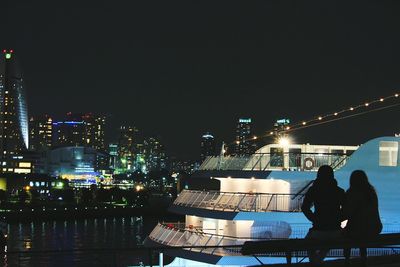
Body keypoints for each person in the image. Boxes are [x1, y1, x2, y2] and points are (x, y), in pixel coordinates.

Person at [301, 165, 345, 266]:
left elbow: (304, 207)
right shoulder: (339, 191)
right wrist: (338, 219)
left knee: (308, 243)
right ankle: (318, 260)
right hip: (336, 230)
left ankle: (315, 261)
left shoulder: (314, 190)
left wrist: (314, 219)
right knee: (329, 241)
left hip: (318, 230)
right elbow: (346, 210)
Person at [342, 170, 382, 266]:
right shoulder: (371, 192)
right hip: (375, 227)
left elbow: (347, 213)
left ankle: (347, 259)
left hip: (357, 229)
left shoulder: (351, 193)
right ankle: (363, 258)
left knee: (347, 233)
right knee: (362, 232)